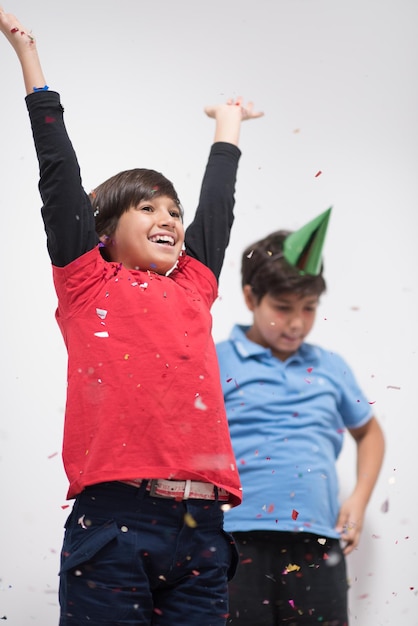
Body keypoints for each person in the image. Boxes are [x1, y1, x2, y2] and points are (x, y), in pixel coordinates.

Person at [0, 7, 263, 626]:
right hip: (116, 521)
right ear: (104, 231)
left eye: (173, 210)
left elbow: (216, 213)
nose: (169, 219)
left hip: (202, 527)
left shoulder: (195, 284)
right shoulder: (87, 280)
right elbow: (58, 175)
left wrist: (228, 126)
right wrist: (29, 60)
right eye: (148, 207)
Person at [216, 211, 385, 626]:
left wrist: (359, 499)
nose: (296, 322)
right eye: (283, 307)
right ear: (251, 297)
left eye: (309, 308)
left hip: (317, 540)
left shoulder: (330, 367)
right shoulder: (216, 361)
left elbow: (370, 434)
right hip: (236, 537)